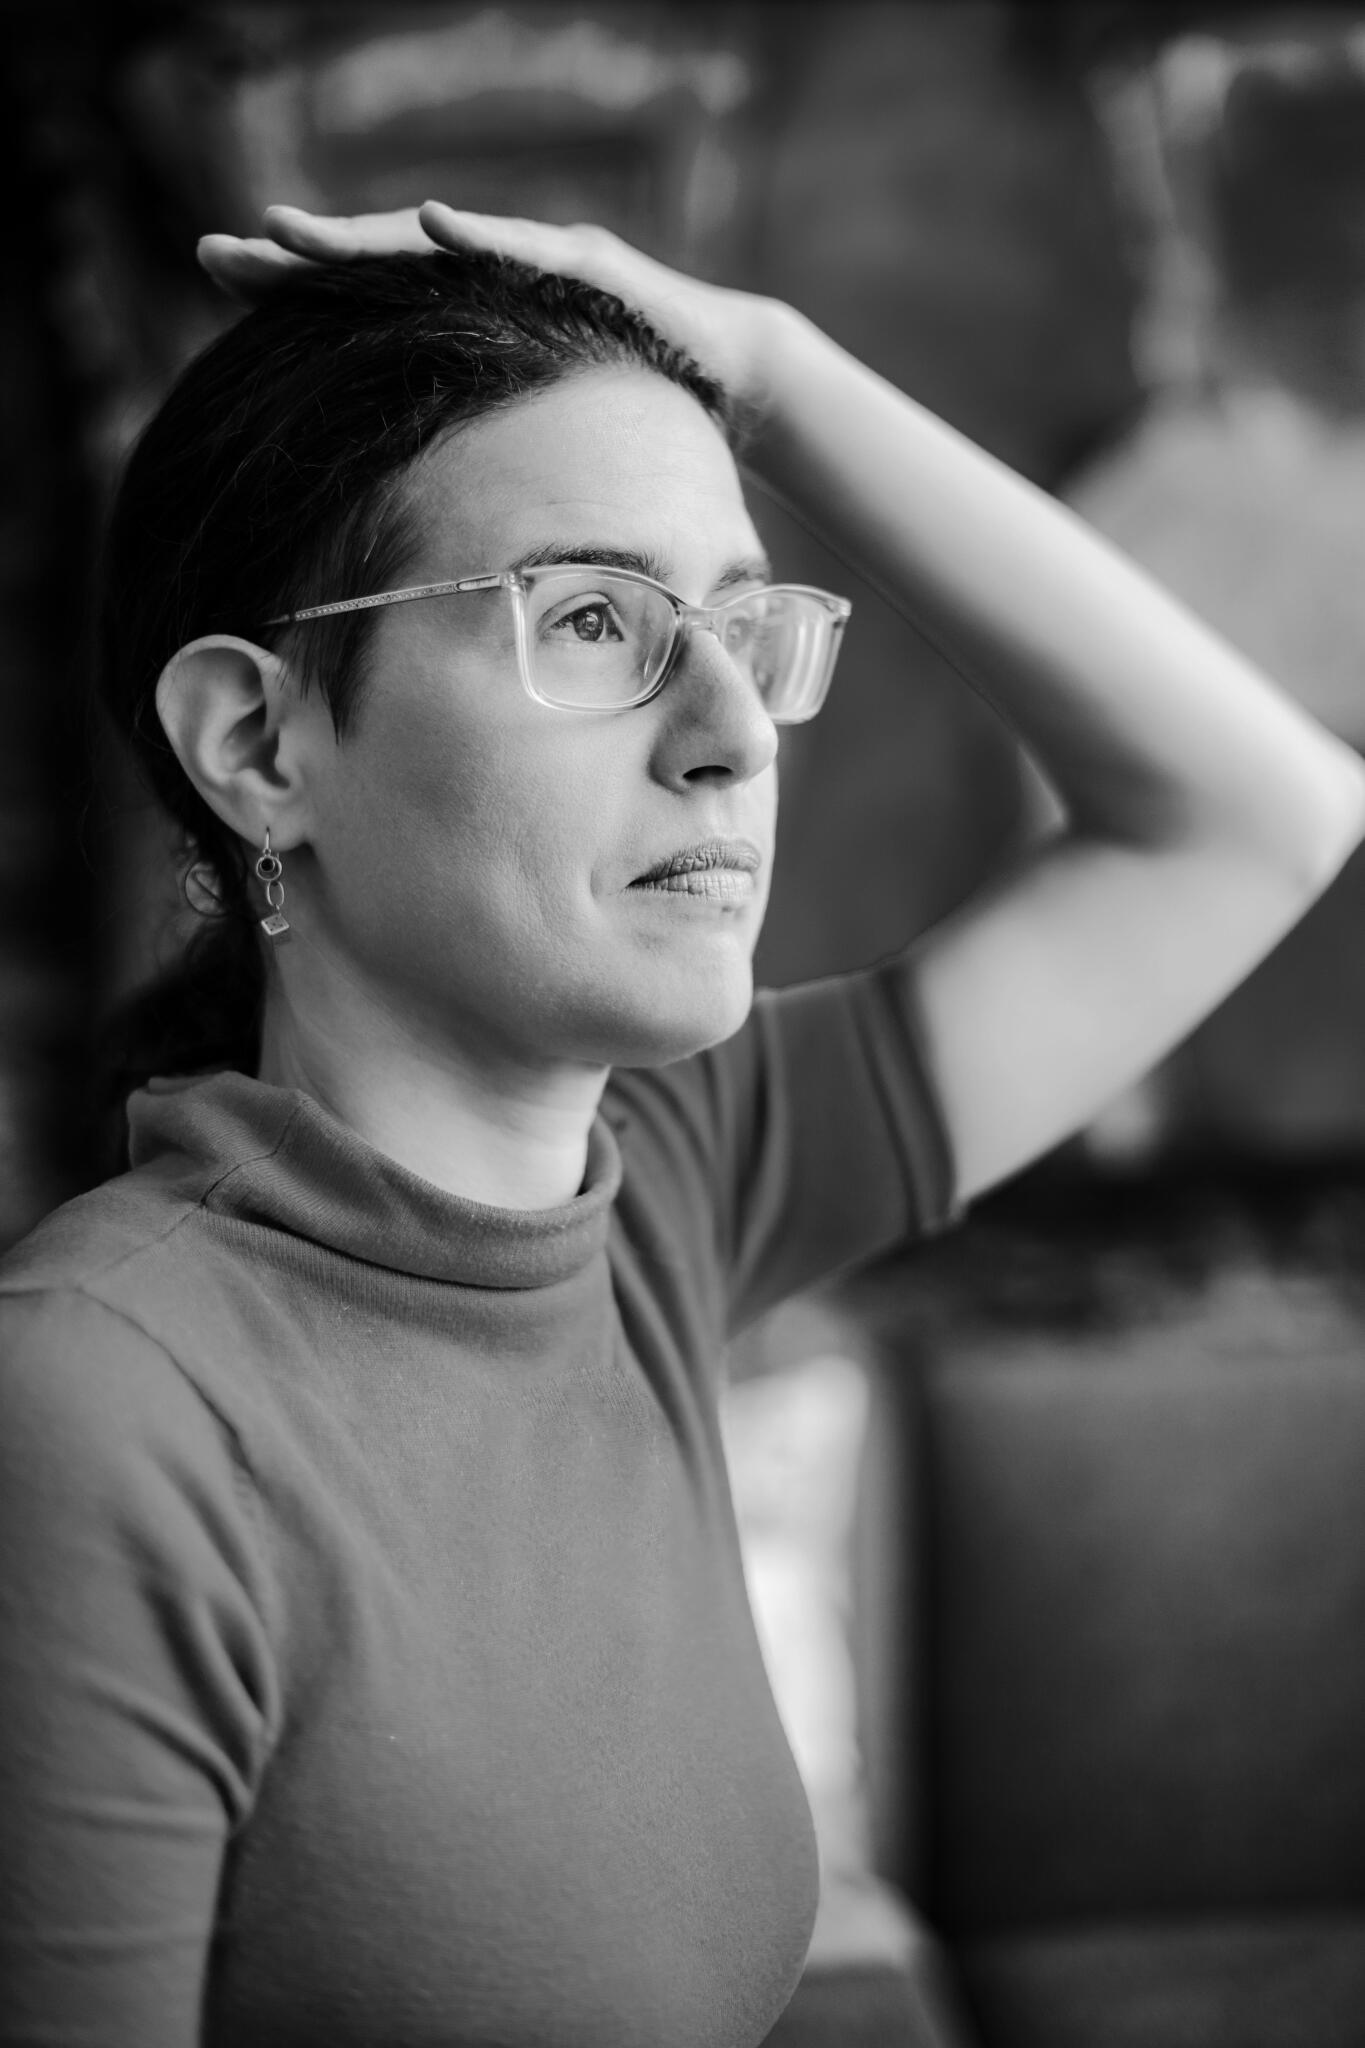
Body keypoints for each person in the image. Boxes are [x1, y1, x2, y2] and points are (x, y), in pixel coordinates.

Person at [0, 198, 1360, 2048]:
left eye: (741, 623)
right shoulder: (94, 1408)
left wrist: (773, 371)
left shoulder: (668, 1181)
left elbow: (1261, 814)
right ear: (259, 744)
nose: (737, 733)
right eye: (592, 620)